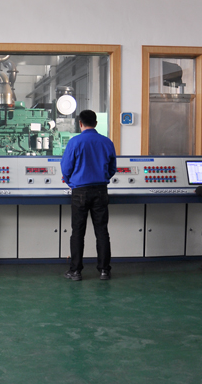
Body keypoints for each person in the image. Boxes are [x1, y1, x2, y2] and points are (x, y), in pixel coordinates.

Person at [60, 110, 117, 281]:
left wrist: (71, 182)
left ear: (80, 123)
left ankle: (76, 271)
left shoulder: (75, 142)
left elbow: (66, 167)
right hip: (100, 190)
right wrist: (103, 177)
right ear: (96, 123)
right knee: (102, 231)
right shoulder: (107, 142)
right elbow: (112, 168)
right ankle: (104, 270)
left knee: (78, 232)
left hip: (80, 191)